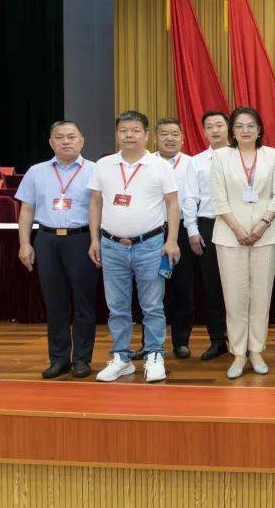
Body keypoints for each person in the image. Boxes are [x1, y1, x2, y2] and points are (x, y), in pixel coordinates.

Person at [88, 110, 181, 383]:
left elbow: (172, 204)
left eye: (135, 130)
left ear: (146, 135)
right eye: (124, 130)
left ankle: (155, 355)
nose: (129, 135)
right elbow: (95, 202)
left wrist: (172, 241)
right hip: (111, 245)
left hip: (150, 245)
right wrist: (94, 240)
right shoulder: (103, 164)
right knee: (117, 306)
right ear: (117, 134)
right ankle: (121, 358)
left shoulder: (160, 165)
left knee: (152, 305)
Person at [15, 120, 99, 379]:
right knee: (54, 302)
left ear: (82, 141)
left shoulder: (95, 171)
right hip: (47, 240)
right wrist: (25, 243)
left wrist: (96, 240)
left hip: (81, 239)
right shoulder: (36, 171)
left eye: (71, 136)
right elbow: (26, 209)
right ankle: (59, 359)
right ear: (51, 142)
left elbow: (101, 208)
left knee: (84, 302)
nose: (66, 141)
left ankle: (82, 359)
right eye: (60, 137)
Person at [210, 107, 275, 379]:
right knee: (235, 297)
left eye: (251, 125)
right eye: (239, 125)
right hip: (230, 236)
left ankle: (256, 349)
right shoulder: (220, 157)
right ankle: (238, 352)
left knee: (261, 295)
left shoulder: (273, 156)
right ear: (232, 130)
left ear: (259, 129)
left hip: (266, 234)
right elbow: (218, 198)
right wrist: (238, 229)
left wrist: (262, 224)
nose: (245, 130)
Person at [131, 117, 195, 360]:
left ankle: (181, 342)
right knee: (149, 291)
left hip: (182, 231)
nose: (170, 138)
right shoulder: (144, 164)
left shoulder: (191, 164)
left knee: (182, 288)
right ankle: (149, 343)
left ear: (183, 138)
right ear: (155, 137)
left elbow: (193, 199)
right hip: (151, 232)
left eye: (175, 134)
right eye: (164, 134)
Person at [182, 110, 231, 360]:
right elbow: (190, 198)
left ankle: (242, 340)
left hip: (238, 227)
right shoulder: (196, 161)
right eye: (209, 126)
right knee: (212, 286)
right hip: (209, 226)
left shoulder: (241, 156)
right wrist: (192, 230)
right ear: (204, 132)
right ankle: (217, 339)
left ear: (228, 127)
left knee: (239, 285)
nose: (215, 130)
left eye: (219, 125)